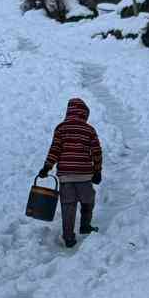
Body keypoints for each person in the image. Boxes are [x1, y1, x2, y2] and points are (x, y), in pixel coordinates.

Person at [39, 97, 103, 248]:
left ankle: (68, 237)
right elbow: (96, 152)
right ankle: (85, 225)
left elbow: (54, 150)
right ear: (84, 114)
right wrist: (97, 171)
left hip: (66, 177)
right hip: (84, 176)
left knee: (68, 207)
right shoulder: (89, 130)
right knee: (88, 201)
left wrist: (47, 167)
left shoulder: (61, 129)